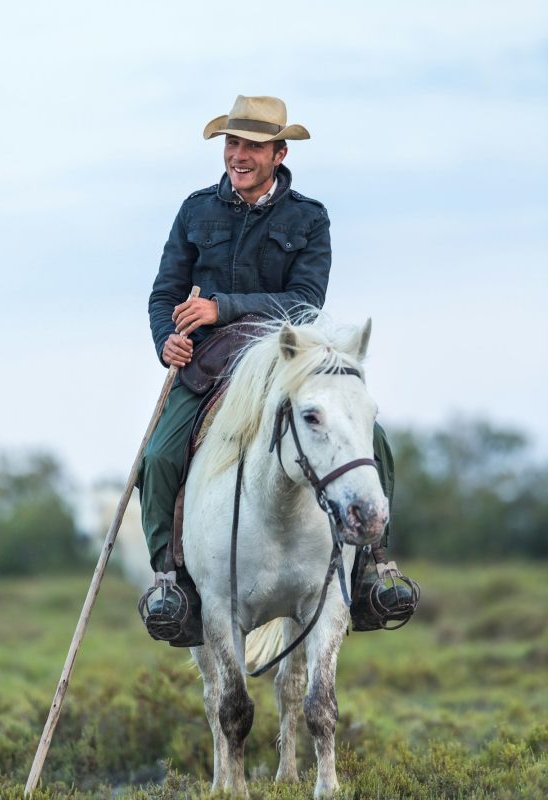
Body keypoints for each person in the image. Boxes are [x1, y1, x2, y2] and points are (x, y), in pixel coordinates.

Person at [138, 95, 411, 646]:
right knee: (160, 455)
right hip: (208, 366)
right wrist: (166, 341)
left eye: (252, 146)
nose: (238, 156)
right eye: (232, 144)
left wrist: (222, 306)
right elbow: (165, 293)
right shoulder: (195, 210)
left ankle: (370, 571)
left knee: (372, 440)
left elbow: (305, 300)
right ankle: (174, 582)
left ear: (279, 153)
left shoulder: (309, 218)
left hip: (286, 360)